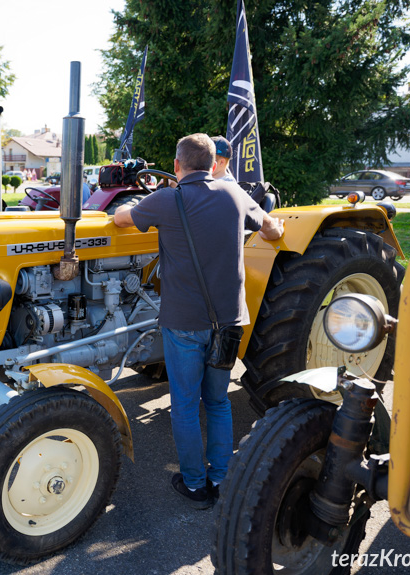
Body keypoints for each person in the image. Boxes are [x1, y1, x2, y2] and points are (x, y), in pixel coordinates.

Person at [114, 133, 284, 509]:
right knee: (218, 401)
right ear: (213, 164)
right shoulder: (236, 195)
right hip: (228, 323)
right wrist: (278, 230)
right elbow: (271, 228)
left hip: (184, 322)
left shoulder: (165, 199)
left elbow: (120, 218)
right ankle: (222, 478)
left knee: (187, 405)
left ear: (177, 166)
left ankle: (194, 484)